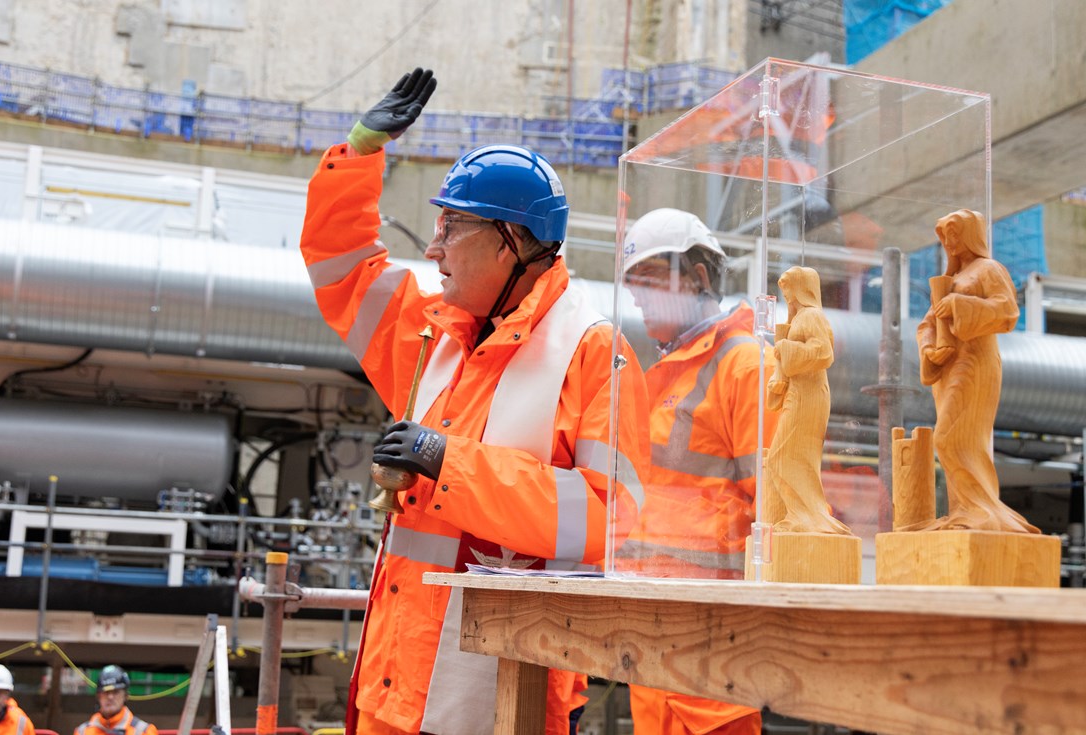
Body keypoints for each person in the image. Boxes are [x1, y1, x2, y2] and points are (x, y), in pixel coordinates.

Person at [300, 67, 649, 735]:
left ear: (511, 241)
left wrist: (447, 461)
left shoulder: (593, 354)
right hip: (390, 691)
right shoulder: (432, 332)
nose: (431, 248)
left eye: (452, 227)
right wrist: (361, 150)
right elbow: (339, 266)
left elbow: (608, 525)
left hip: (498, 703)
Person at [615, 208, 777, 735]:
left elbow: (777, 510)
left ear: (698, 277)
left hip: (716, 653)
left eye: (650, 280)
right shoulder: (660, 377)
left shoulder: (746, 365)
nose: (638, 297)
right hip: (654, 646)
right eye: (632, 284)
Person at [915, 209, 1037, 533]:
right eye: (944, 236)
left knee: (949, 438)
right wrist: (929, 350)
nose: (949, 242)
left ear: (971, 233)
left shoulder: (989, 269)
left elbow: (1008, 311)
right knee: (960, 441)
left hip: (975, 362)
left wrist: (958, 305)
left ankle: (981, 511)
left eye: (955, 233)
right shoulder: (951, 279)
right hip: (949, 366)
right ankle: (964, 511)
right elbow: (926, 324)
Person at [765, 265, 851, 535]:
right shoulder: (800, 319)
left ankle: (808, 517)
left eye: (789, 290)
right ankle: (803, 515)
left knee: (783, 455)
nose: (787, 297)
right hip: (800, 392)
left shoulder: (811, 316)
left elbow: (824, 353)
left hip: (809, 395)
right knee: (793, 457)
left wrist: (785, 348)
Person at [73, 666, 157, 735]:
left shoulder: (144, 731)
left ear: (126, 696)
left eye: (116, 692)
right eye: (106, 692)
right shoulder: (82, 732)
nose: (110, 697)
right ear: (98, 696)